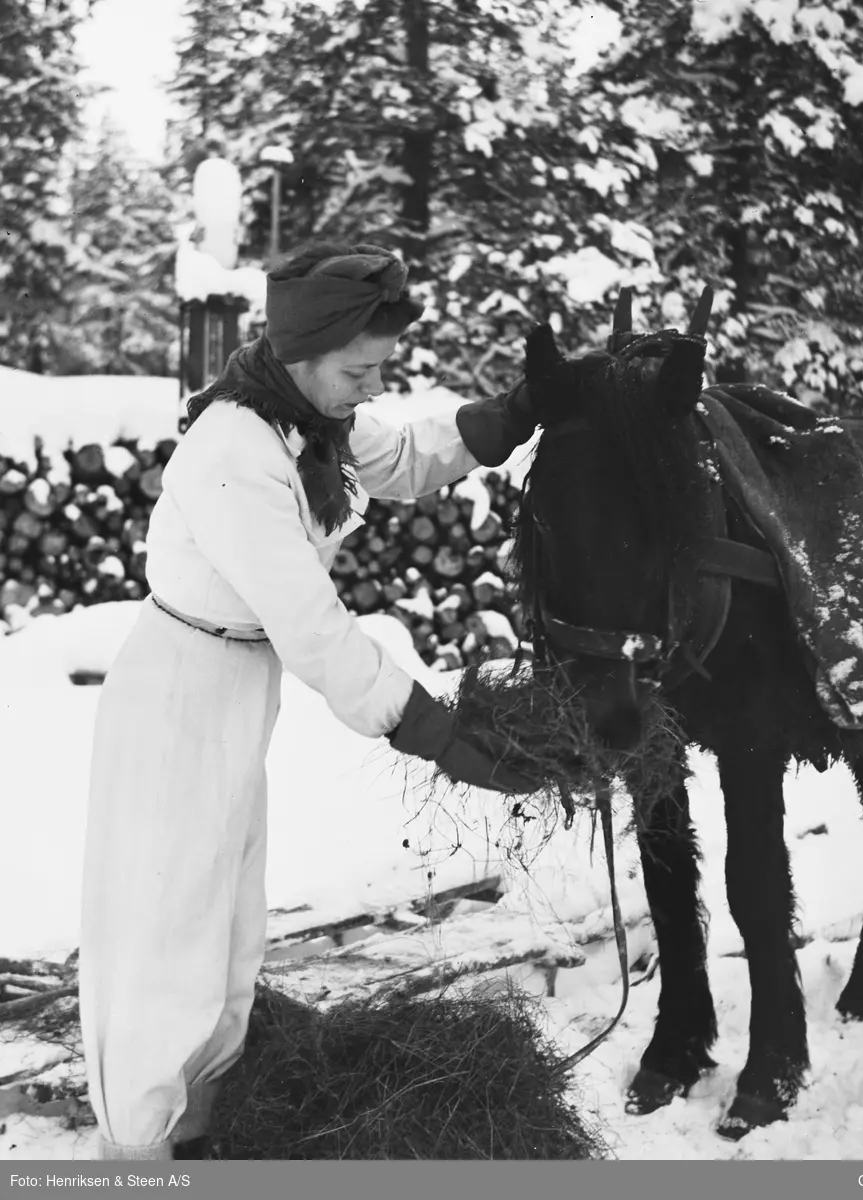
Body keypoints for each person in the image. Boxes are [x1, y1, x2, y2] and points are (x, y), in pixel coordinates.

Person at [78, 242, 543, 1161]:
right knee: (167, 930)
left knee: (227, 923)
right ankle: (135, 1155)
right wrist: (439, 733)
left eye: (379, 370)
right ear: (303, 354)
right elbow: (312, 624)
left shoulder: (312, 419)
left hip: (235, 687)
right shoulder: (232, 450)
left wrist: (519, 414)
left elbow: (406, 457)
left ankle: (197, 1130)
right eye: (358, 370)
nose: (370, 388)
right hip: (177, 694)